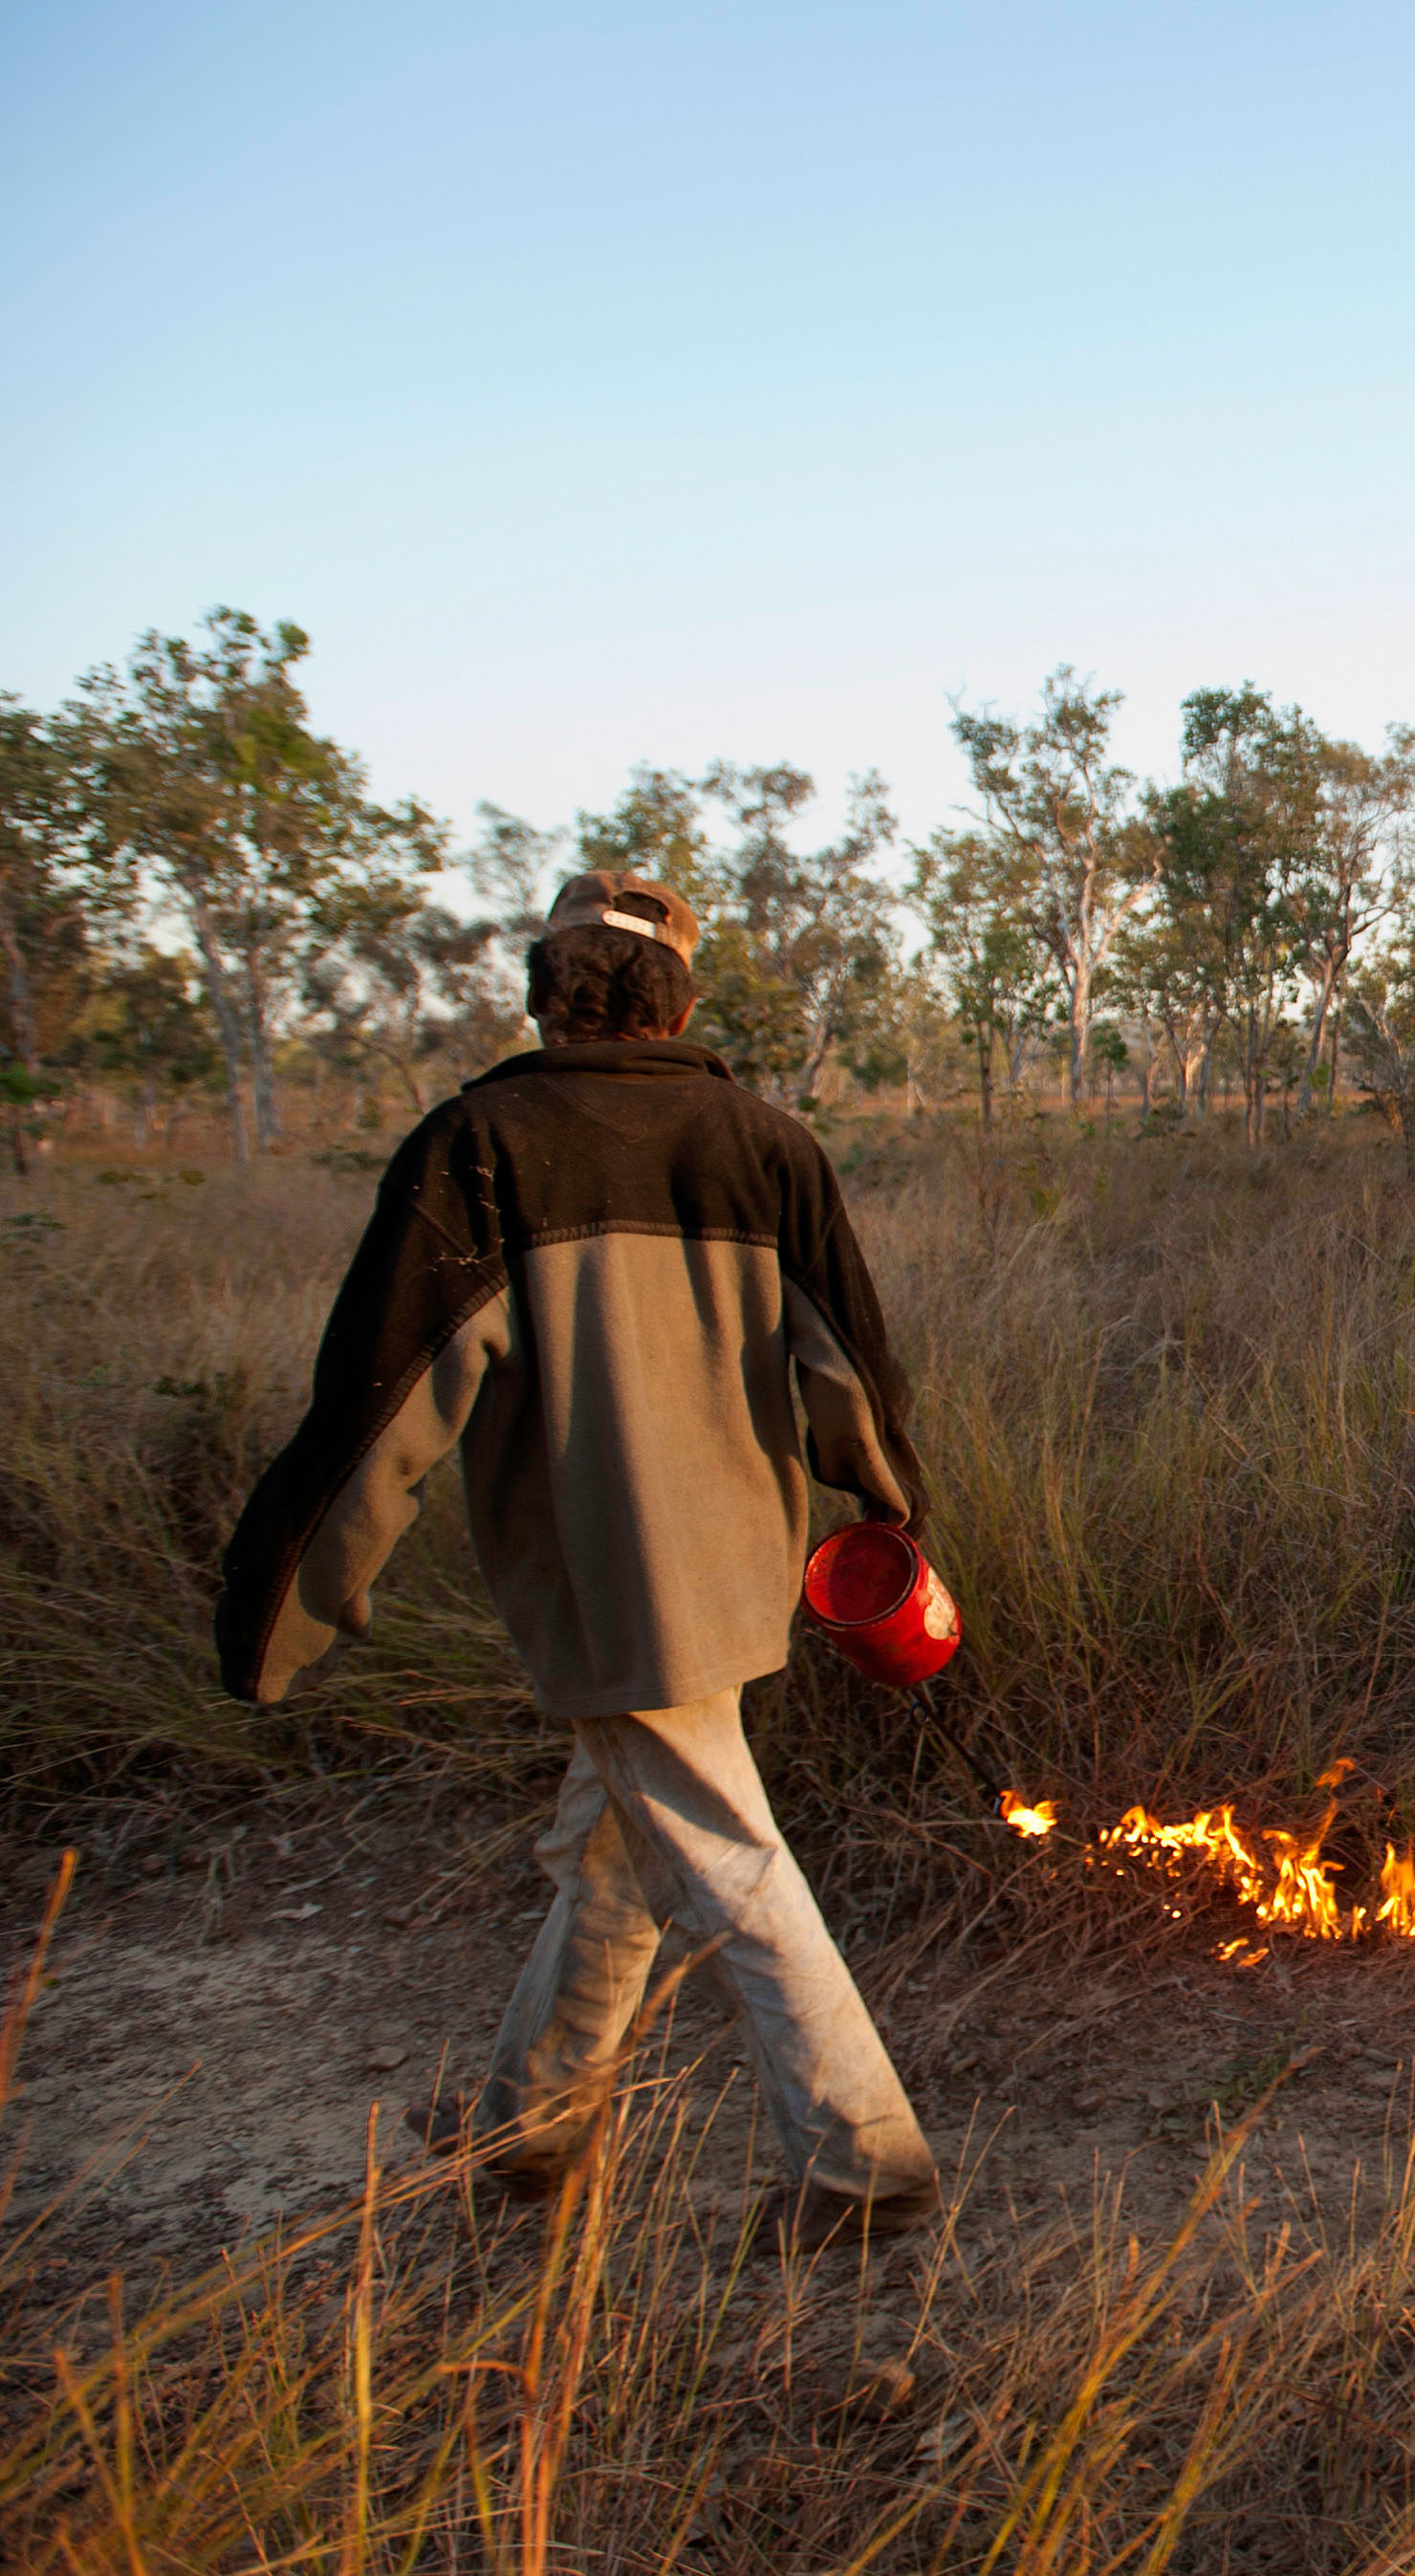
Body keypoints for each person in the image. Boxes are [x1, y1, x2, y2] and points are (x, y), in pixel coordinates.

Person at [215, 873, 940, 2251]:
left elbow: (384, 1406)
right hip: (739, 1560)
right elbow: (850, 1368)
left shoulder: (478, 1145)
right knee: (613, 1839)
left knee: (723, 1848)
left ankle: (867, 2166)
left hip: (605, 1573)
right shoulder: (764, 1142)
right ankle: (529, 2124)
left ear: (545, 987)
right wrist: (895, 1516)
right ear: (683, 1000)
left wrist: (290, 1602)